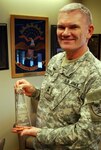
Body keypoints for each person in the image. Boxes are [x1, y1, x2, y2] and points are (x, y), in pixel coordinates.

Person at [13, 3, 101, 150]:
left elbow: (87, 133)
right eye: (61, 27)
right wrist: (34, 92)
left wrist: (40, 133)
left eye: (73, 27)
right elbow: (54, 100)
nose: (65, 33)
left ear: (89, 31)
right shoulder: (56, 60)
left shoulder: (96, 75)